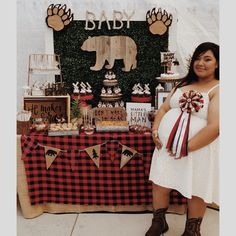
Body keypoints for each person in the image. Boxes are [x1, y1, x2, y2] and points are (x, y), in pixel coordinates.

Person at [145, 42, 219, 236]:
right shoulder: (182, 83)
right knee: (160, 182)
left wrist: (186, 147)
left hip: (198, 149)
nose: (200, 63)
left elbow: (215, 126)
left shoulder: (220, 88)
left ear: (218, 64)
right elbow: (163, 109)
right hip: (167, 148)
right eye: (197, 58)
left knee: (196, 187)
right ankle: (159, 222)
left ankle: (192, 230)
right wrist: (155, 131)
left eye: (207, 59)